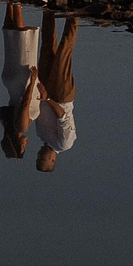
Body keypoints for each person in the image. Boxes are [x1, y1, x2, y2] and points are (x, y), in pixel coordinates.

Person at [31, 10, 79, 171]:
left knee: (47, 46)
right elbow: (62, 115)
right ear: (52, 160)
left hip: (45, 90)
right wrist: (47, 98)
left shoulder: (40, 135)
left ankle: (49, 9)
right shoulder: (63, 144)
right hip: (61, 96)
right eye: (42, 158)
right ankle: (74, 14)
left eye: (37, 157)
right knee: (64, 51)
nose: (39, 154)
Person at [0, 0, 37, 159]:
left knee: (22, 39)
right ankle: (9, 4)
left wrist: (33, 81)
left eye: (23, 147)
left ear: (19, 144)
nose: (26, 144)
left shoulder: (21, 127)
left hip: (23, 83)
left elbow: (26, 103)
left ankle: (17, 3)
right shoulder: (6, 124)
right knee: (10, 38)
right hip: (10, 81)